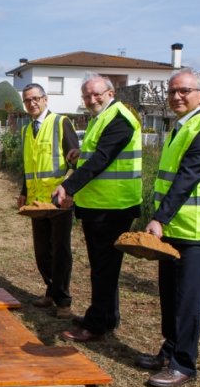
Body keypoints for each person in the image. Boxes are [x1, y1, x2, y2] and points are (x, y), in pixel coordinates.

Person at [138, 69, 200, 387]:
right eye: (172, 91)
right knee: (170, 295)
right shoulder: (180, 127)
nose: (177, 96)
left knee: (188, 300)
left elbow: (185, 180)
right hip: (178, 228)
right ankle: (170, 349)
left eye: (185, 91)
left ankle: (184, 364)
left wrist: (159, 218)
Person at [53, 73, 142, 342]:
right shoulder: (101, 118)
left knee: (104, 268)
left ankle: (96, 325)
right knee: (104, 267)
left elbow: (102, 160)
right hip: (99, 205)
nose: (92, 99)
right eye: (87, 95)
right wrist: (79, 155)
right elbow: (96, 154)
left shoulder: (119, 119)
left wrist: (68, 187)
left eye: (97, 94)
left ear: (111, 93)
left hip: (113, 207)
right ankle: (107, 316)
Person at [17, 83, 79, 318]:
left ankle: (63, 301)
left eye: (35, 98)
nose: (31, 103)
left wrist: (70, 191)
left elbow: (75, 160)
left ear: (45, 100)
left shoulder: (60, 123)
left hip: (59, 199)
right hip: (36, 201)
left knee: (60, 249)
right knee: (42, 251)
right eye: (27, 100)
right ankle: (51, 291)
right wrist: (24, 191)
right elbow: (29, 165)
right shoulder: (26, 130)